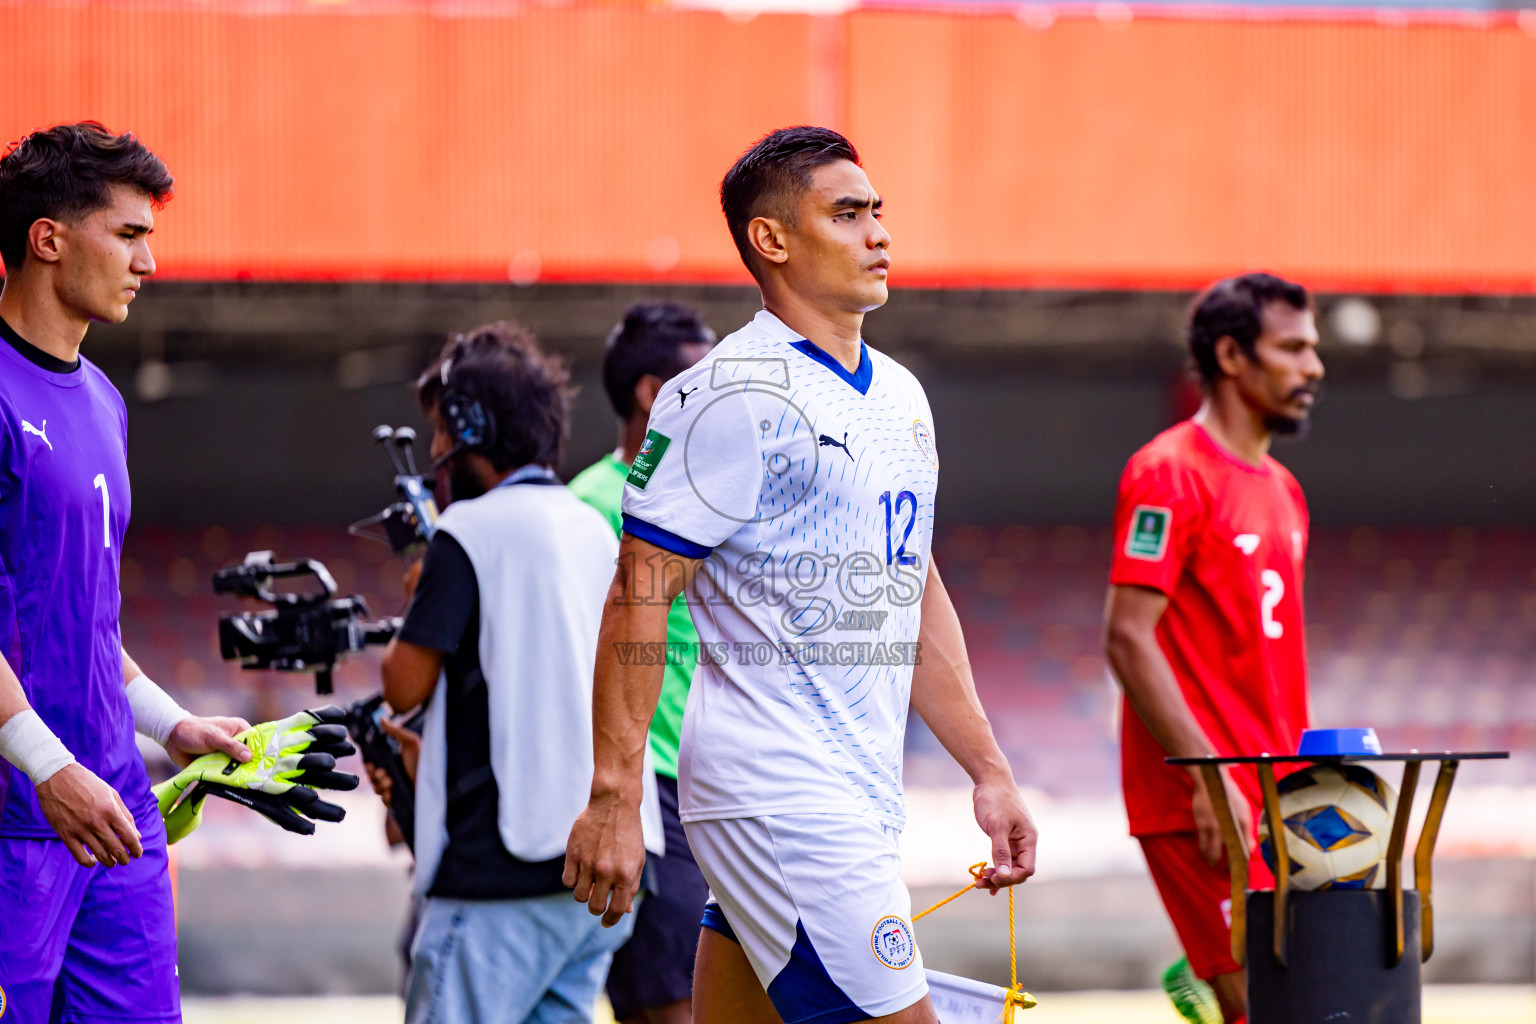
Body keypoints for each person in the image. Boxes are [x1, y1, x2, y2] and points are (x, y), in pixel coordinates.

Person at [564, 126, 1038, 1024]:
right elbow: (638, 593)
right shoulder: (724, 393)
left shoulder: (901, 395)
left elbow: (912, 589)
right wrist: (615, 797)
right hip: (782, 798)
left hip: (847, 796)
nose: (879, 234)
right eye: (848, 214)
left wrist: (989, 770)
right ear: (771, 239)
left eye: (878, 213)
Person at [0, 122, 259, 1023]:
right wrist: (46, 769)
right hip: (20, 817)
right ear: (48, 239)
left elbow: (85, 625)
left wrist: (171, 723)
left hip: (114, 810)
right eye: (129, 234)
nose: (148, 261)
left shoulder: (105, 402)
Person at [381, 322, 662, 1024]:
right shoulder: (592, 524)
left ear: (470, 427)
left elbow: (402, 684)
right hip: (601, 873)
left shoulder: (466, 532)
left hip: (501, 874)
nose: (436, 451)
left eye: (442, 429)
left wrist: (420, 594)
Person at [1103, 273, 1323, 1024]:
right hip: (1202, 798)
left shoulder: (1285, 491)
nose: (1314, 367)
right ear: (1231, 356)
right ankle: (1207, 982)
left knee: (1313, 999)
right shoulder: (1168, 473)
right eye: (1292, 348)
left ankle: (1200, 984)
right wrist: (1205, 776)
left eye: (1312, 348)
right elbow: (1127, 635)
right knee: (1271, 1011)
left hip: (1278, 792)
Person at [569, 301, 716, 1024]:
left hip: (718, 780)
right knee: (670, 1003)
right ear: (653, 393)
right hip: (652, 784)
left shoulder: (716, 492)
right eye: (703, 376)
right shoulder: (590, 505)